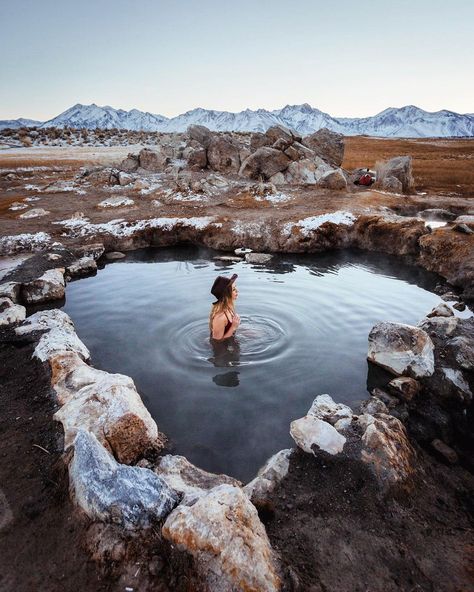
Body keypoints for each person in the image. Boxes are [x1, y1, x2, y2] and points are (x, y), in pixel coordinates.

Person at [209, 273, 240, 340]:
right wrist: (233, 327)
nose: (237, 291)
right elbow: (217, 342)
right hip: (222, 348)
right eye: (234, 289)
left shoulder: (228, 307)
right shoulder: (220, 317)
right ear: (226, 295)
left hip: (230, 340)